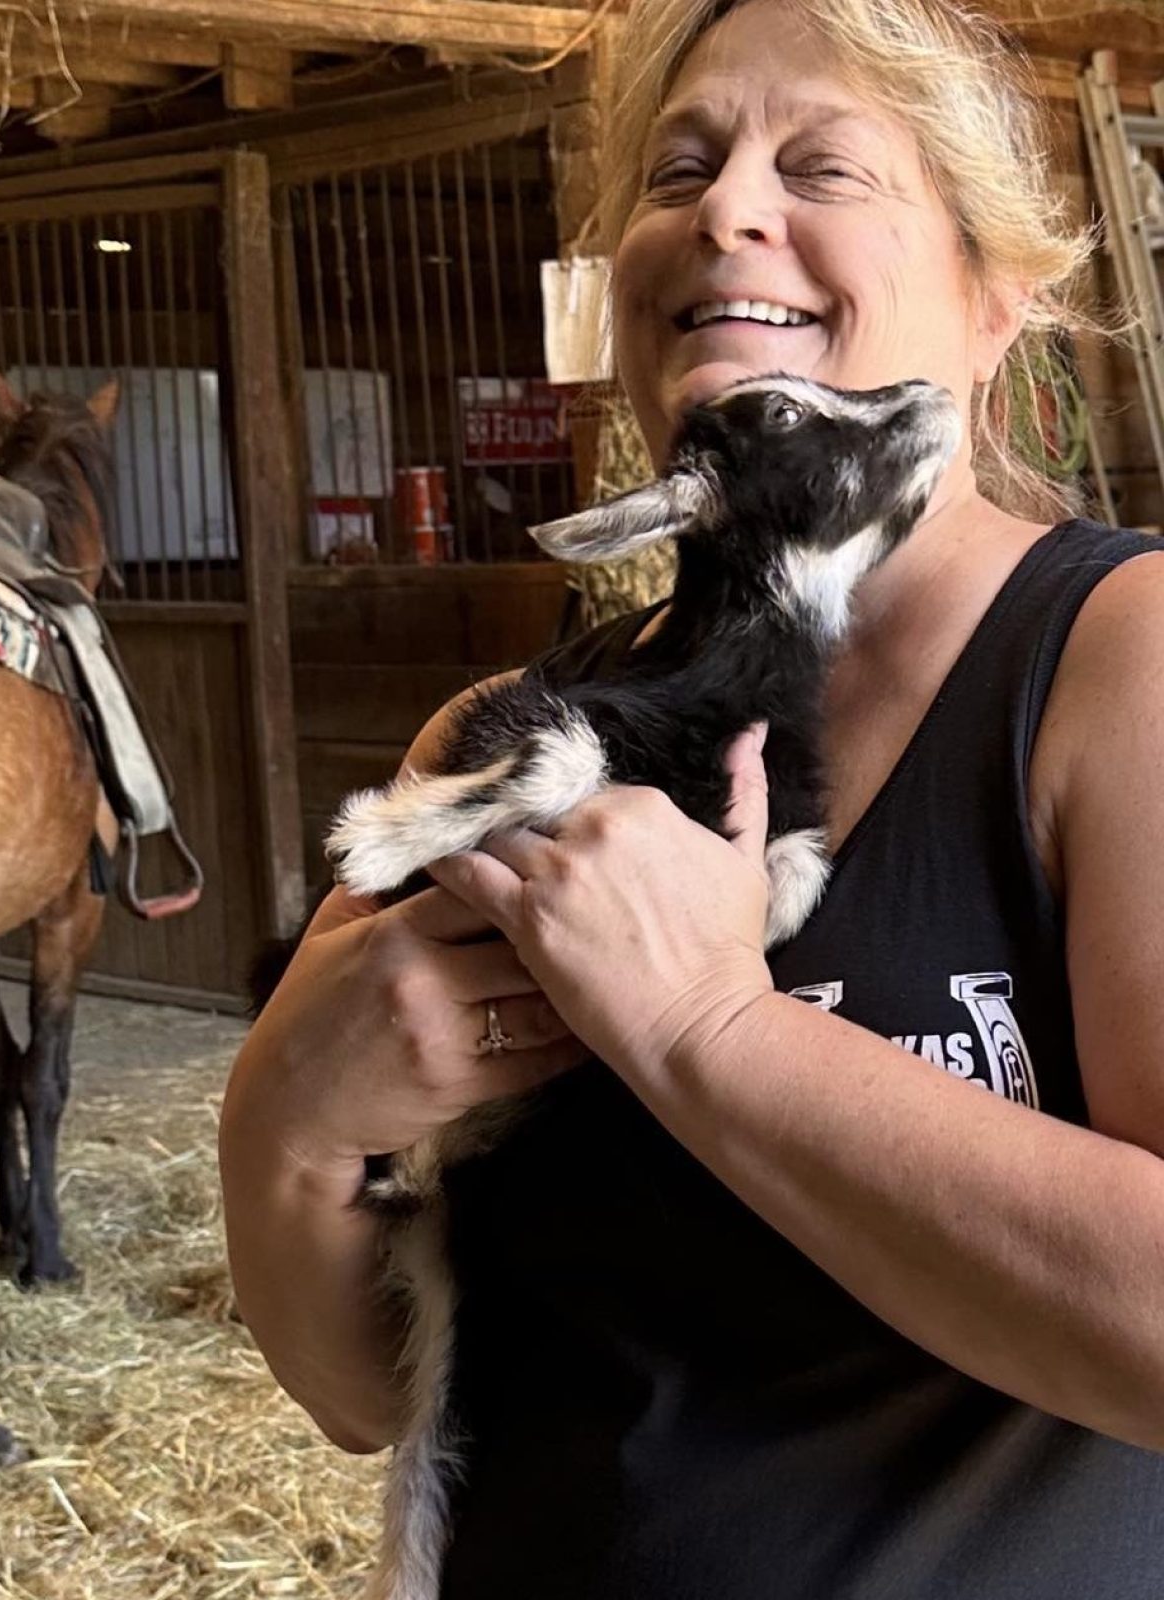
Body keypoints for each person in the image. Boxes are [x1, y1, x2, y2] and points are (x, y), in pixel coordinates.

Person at [220, 0, 1164, 1593]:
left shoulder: (1116, 665)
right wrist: (287, 1125)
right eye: (678, 168)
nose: (724, 208)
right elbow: (362, 1395)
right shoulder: (509, 729)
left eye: (823, 165)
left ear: (997, 294)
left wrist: (709, 1032)